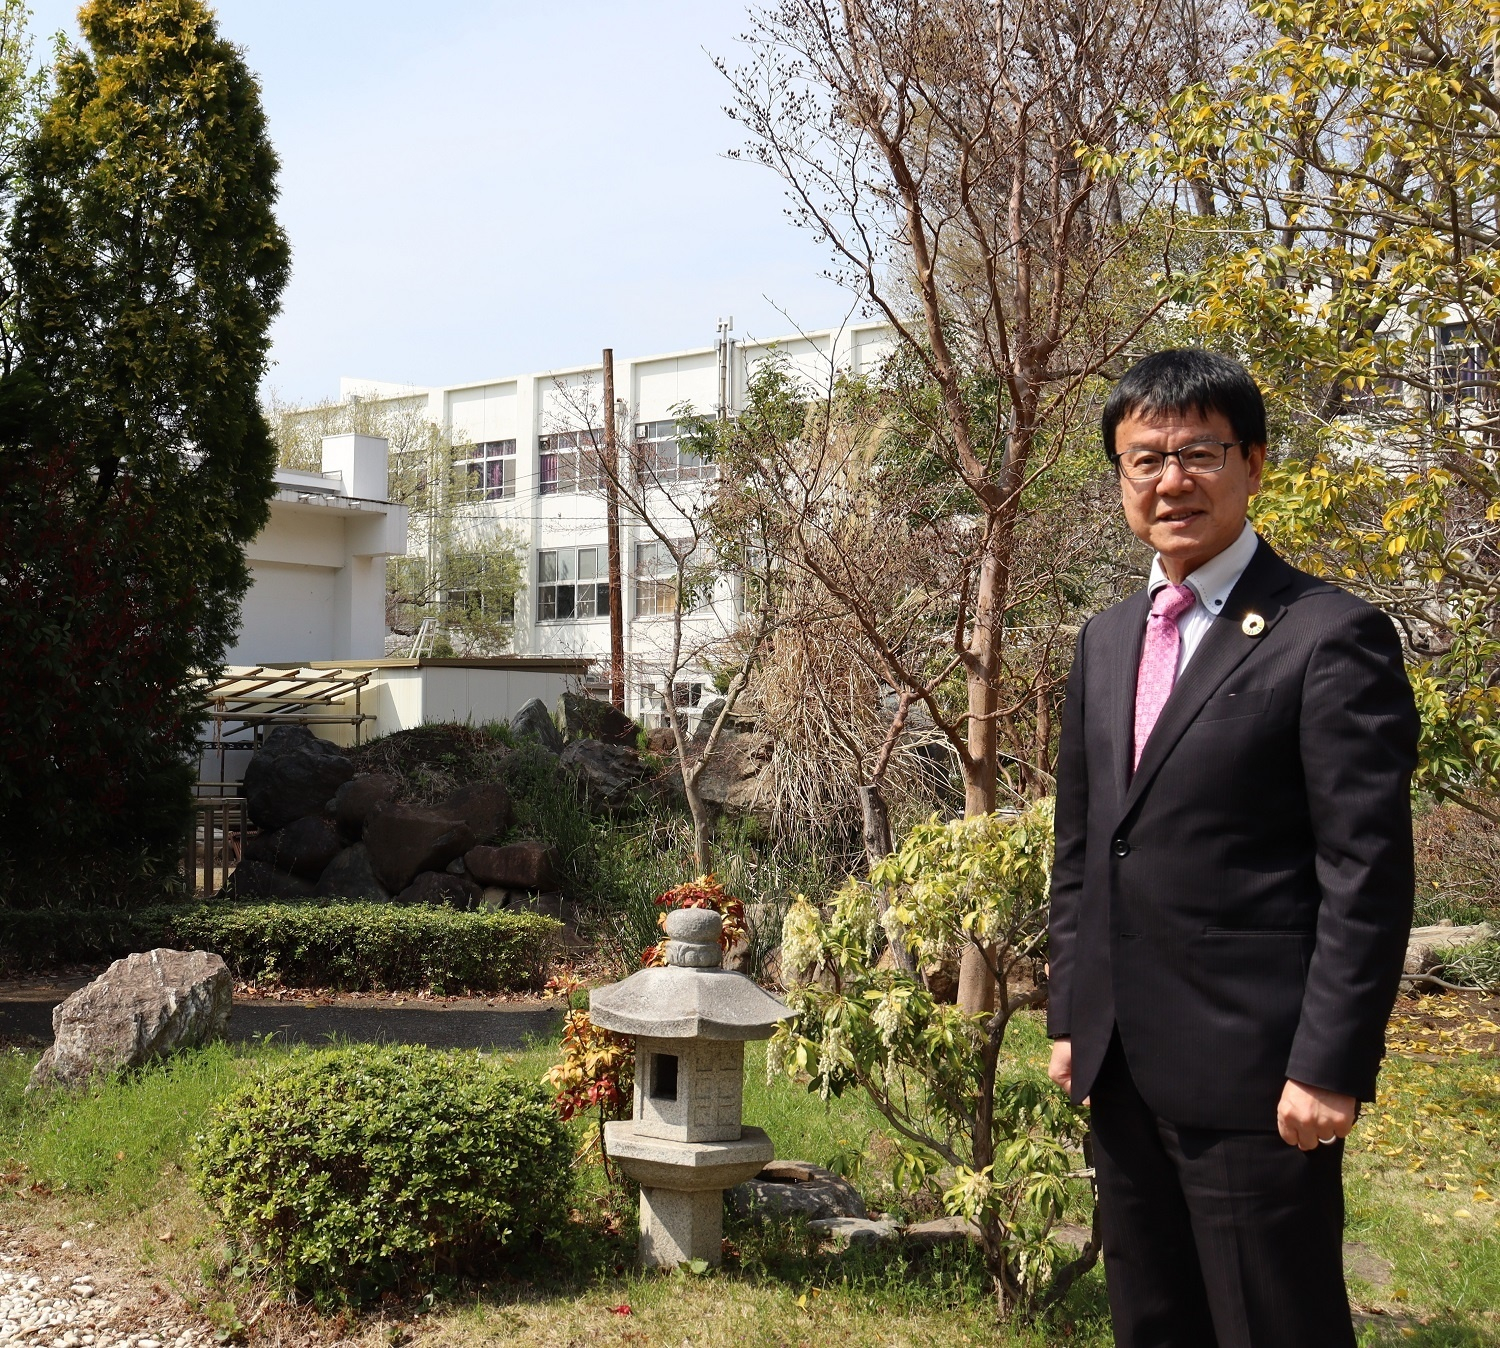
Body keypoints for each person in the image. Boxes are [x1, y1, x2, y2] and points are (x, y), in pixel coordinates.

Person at [1046, 349, 1418, 1348]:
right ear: (1121, 478)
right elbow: (1083, 849)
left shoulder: (1326, 635)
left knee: (1273, 1326)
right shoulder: (1108, 638)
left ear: (1253, 463)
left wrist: (1330, 1063)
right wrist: (1070, 1015)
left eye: (1200, 453)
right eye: (1145, 460)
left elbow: (1365, 872)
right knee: (1153, 1321)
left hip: (1261, 1081)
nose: (1172, 480)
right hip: (1121, 1068)